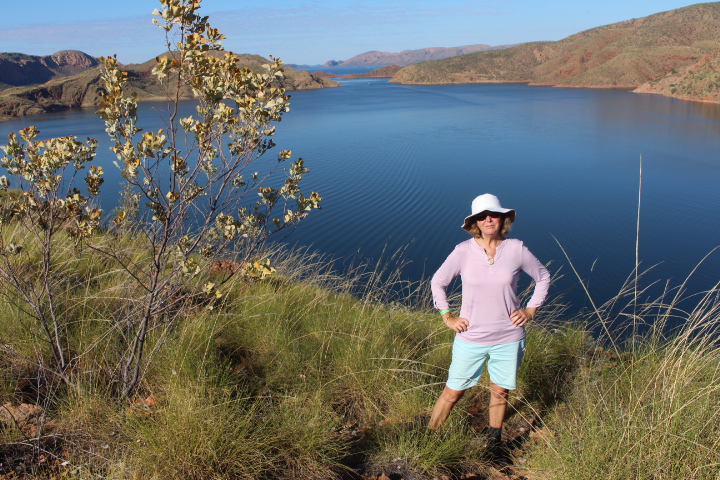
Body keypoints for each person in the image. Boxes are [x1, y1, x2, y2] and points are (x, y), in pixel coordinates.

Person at [428, 193, 550, 452]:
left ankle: (493, 444)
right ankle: (428, 438)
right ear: (475, 222)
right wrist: (447, 317)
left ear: (502, 218)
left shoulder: (517, 249)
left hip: (508, 336)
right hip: (471, 337)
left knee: (500, 392)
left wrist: (530, 311)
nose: (488, 219)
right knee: (453, 392)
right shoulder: (463, 251)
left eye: (493, 214)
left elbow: (543, 277)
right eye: (482, 216)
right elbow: (438, 282)